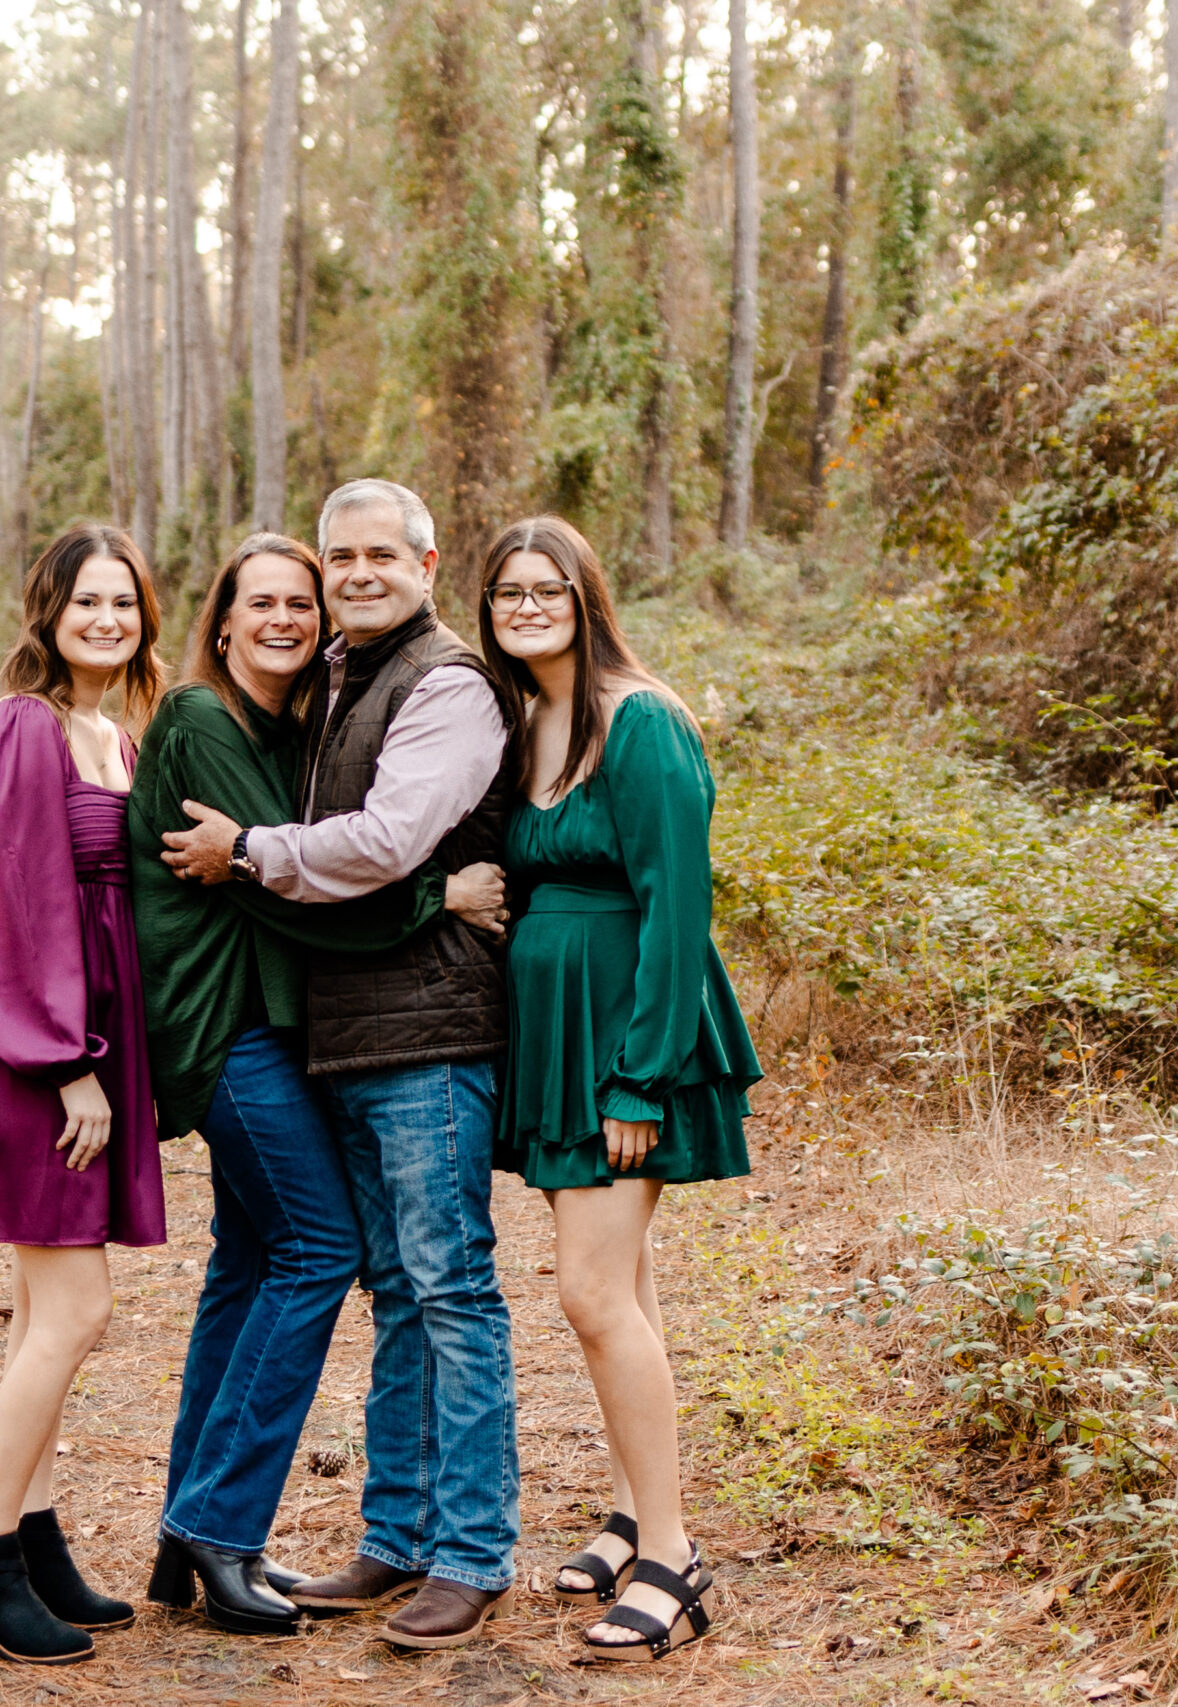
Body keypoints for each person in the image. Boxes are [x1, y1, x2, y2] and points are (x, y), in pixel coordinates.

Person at [160, 480, 520, 1652]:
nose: (358, 575)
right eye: (341, 559)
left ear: (426, 559)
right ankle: (396, 1538)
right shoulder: (334, 679)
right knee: (397, 1290)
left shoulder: (447, 685)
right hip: (342, 1035)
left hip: (429, 1035)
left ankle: (470, 1553)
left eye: (380, 555)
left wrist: (249, 851)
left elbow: (387, 841)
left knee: (451, 1286)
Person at [477, 515, 760, 1662]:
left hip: (621, 1039)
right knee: (624, 1292)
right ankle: (634, 1509)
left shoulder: (640, 720)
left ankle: (674, 1557)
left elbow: (676, 908)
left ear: (586, 598)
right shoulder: (527, 720)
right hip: (552, 1033)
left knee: (591, 1296)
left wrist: (637, 1079)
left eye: (548, 588)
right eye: (508, 592)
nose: (528, 606)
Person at [0, 524, 167, 1668]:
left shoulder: (110, 733)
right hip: (39, 1048)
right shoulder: (22, 728)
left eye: (124, 603)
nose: (108, 620)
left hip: (90, 1041)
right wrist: (69, 1061)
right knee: (75, 1310)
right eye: (88, 604)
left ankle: (32, 1535)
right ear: (48, 614)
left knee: (41, 1311)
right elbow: (9, 904)